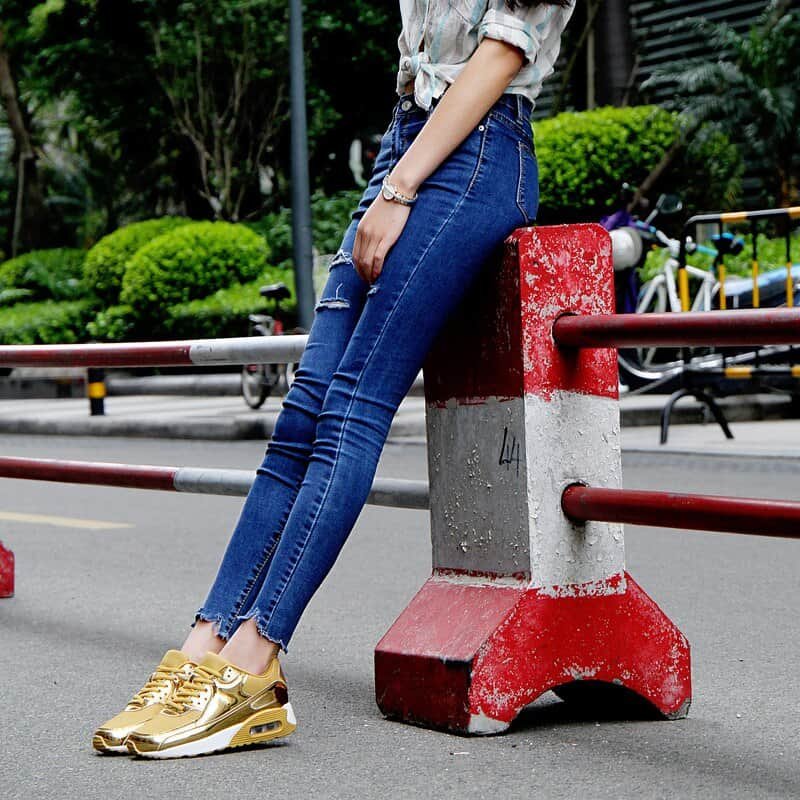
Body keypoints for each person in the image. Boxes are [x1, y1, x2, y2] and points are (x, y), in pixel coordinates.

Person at [93, 0, 575, 759]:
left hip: (478, 153)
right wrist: (395, 173)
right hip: (406, 141)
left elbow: (502, 53)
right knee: (303, 412)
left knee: (351, 408)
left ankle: (255, 657)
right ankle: (206, 642)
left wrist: (399, 191)